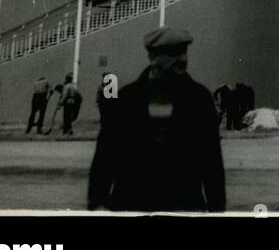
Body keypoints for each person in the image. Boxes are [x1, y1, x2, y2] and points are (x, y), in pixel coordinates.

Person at [87, 26, 226, 212]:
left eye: (184, 52)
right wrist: (97, 203)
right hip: (130, 205)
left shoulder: (199, 99)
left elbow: (212, 162)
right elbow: (105, 157)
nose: (183, 59)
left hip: (183, 207)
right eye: (174, 53)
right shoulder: (126, 99)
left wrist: (217, 210)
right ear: (152, 57)